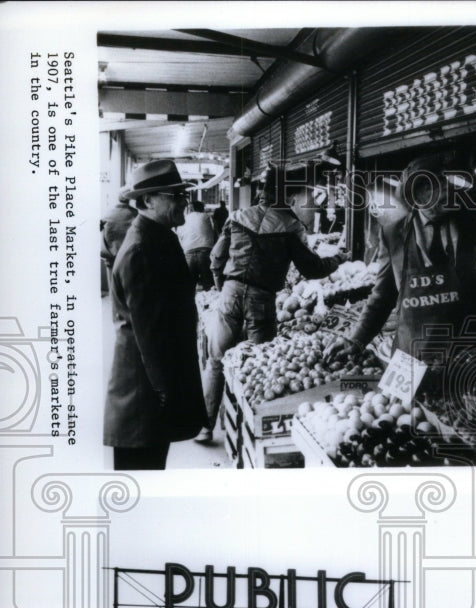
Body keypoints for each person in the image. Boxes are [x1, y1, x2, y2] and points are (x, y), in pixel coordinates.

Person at [324, 153, 476, 397]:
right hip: (411, 356)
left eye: (446, 182)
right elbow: (382, 297)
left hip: (468, 353)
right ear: (418, 196)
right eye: (437, 186)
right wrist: (355, 339)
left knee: (468, 422)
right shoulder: (393, 234)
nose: (448, 190)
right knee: (409, 423)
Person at [195, 163, 341, 443]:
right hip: (262, 302)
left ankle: (205, 428)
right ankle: (246, 434)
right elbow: (312, 269)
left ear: (260, 191)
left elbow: (216, 259)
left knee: (216, 360)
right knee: (258, 366)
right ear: (285, 196)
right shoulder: (290, 226)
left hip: (229, 295)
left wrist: (221, 286)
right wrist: (338, 259)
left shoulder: (236, 217)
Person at [103, 159, 207, 470]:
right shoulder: (141, 250)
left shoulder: (158, 238)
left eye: (183, 196)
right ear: (148, 200)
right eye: (174, 197)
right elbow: (151, 335)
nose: (182, 204)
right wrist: (167, 397)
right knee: (140, 484)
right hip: (142, 399)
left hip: (150, 393)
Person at [177, 199, 217, 290]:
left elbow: (180, 236)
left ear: (191, 209)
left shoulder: (183, 219)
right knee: (209, 286)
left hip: (188, 253)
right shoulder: (208, 217)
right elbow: (216, 234)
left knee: (188, 287)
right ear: (202, 208)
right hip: (205, 253)